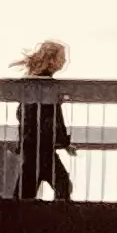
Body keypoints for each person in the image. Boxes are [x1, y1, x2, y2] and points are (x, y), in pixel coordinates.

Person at [16, 40, 77, 203]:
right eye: (61, 57)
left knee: (26, 190)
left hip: (33, 145)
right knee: (62, 185)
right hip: (42, 147)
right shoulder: (47, 85)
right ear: (51, 60)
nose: (65, 61)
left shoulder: (32, 83)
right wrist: (63, 142)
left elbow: (23, 114)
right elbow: (54, 118)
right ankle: (55, 221)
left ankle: (17, 220)